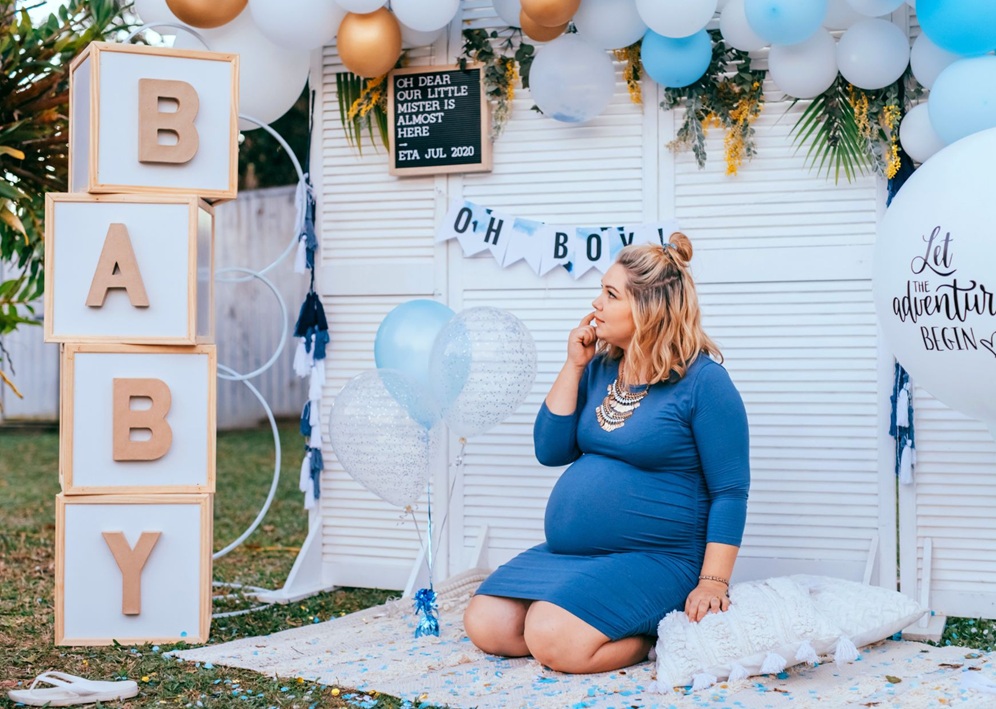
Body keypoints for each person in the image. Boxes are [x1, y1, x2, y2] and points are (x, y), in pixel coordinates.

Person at [463, 233, 750, 674]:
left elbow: (730, 490)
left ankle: (652, 640)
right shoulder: (600, 368)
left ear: (650, 308)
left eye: (611, 294)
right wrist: (574, 364)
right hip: (575, 556)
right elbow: (550, 449)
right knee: (487, 623)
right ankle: (592, 615)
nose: (596, 303)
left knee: (550, 635)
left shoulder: (704, 383)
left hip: (659, 557)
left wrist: (713, 581)